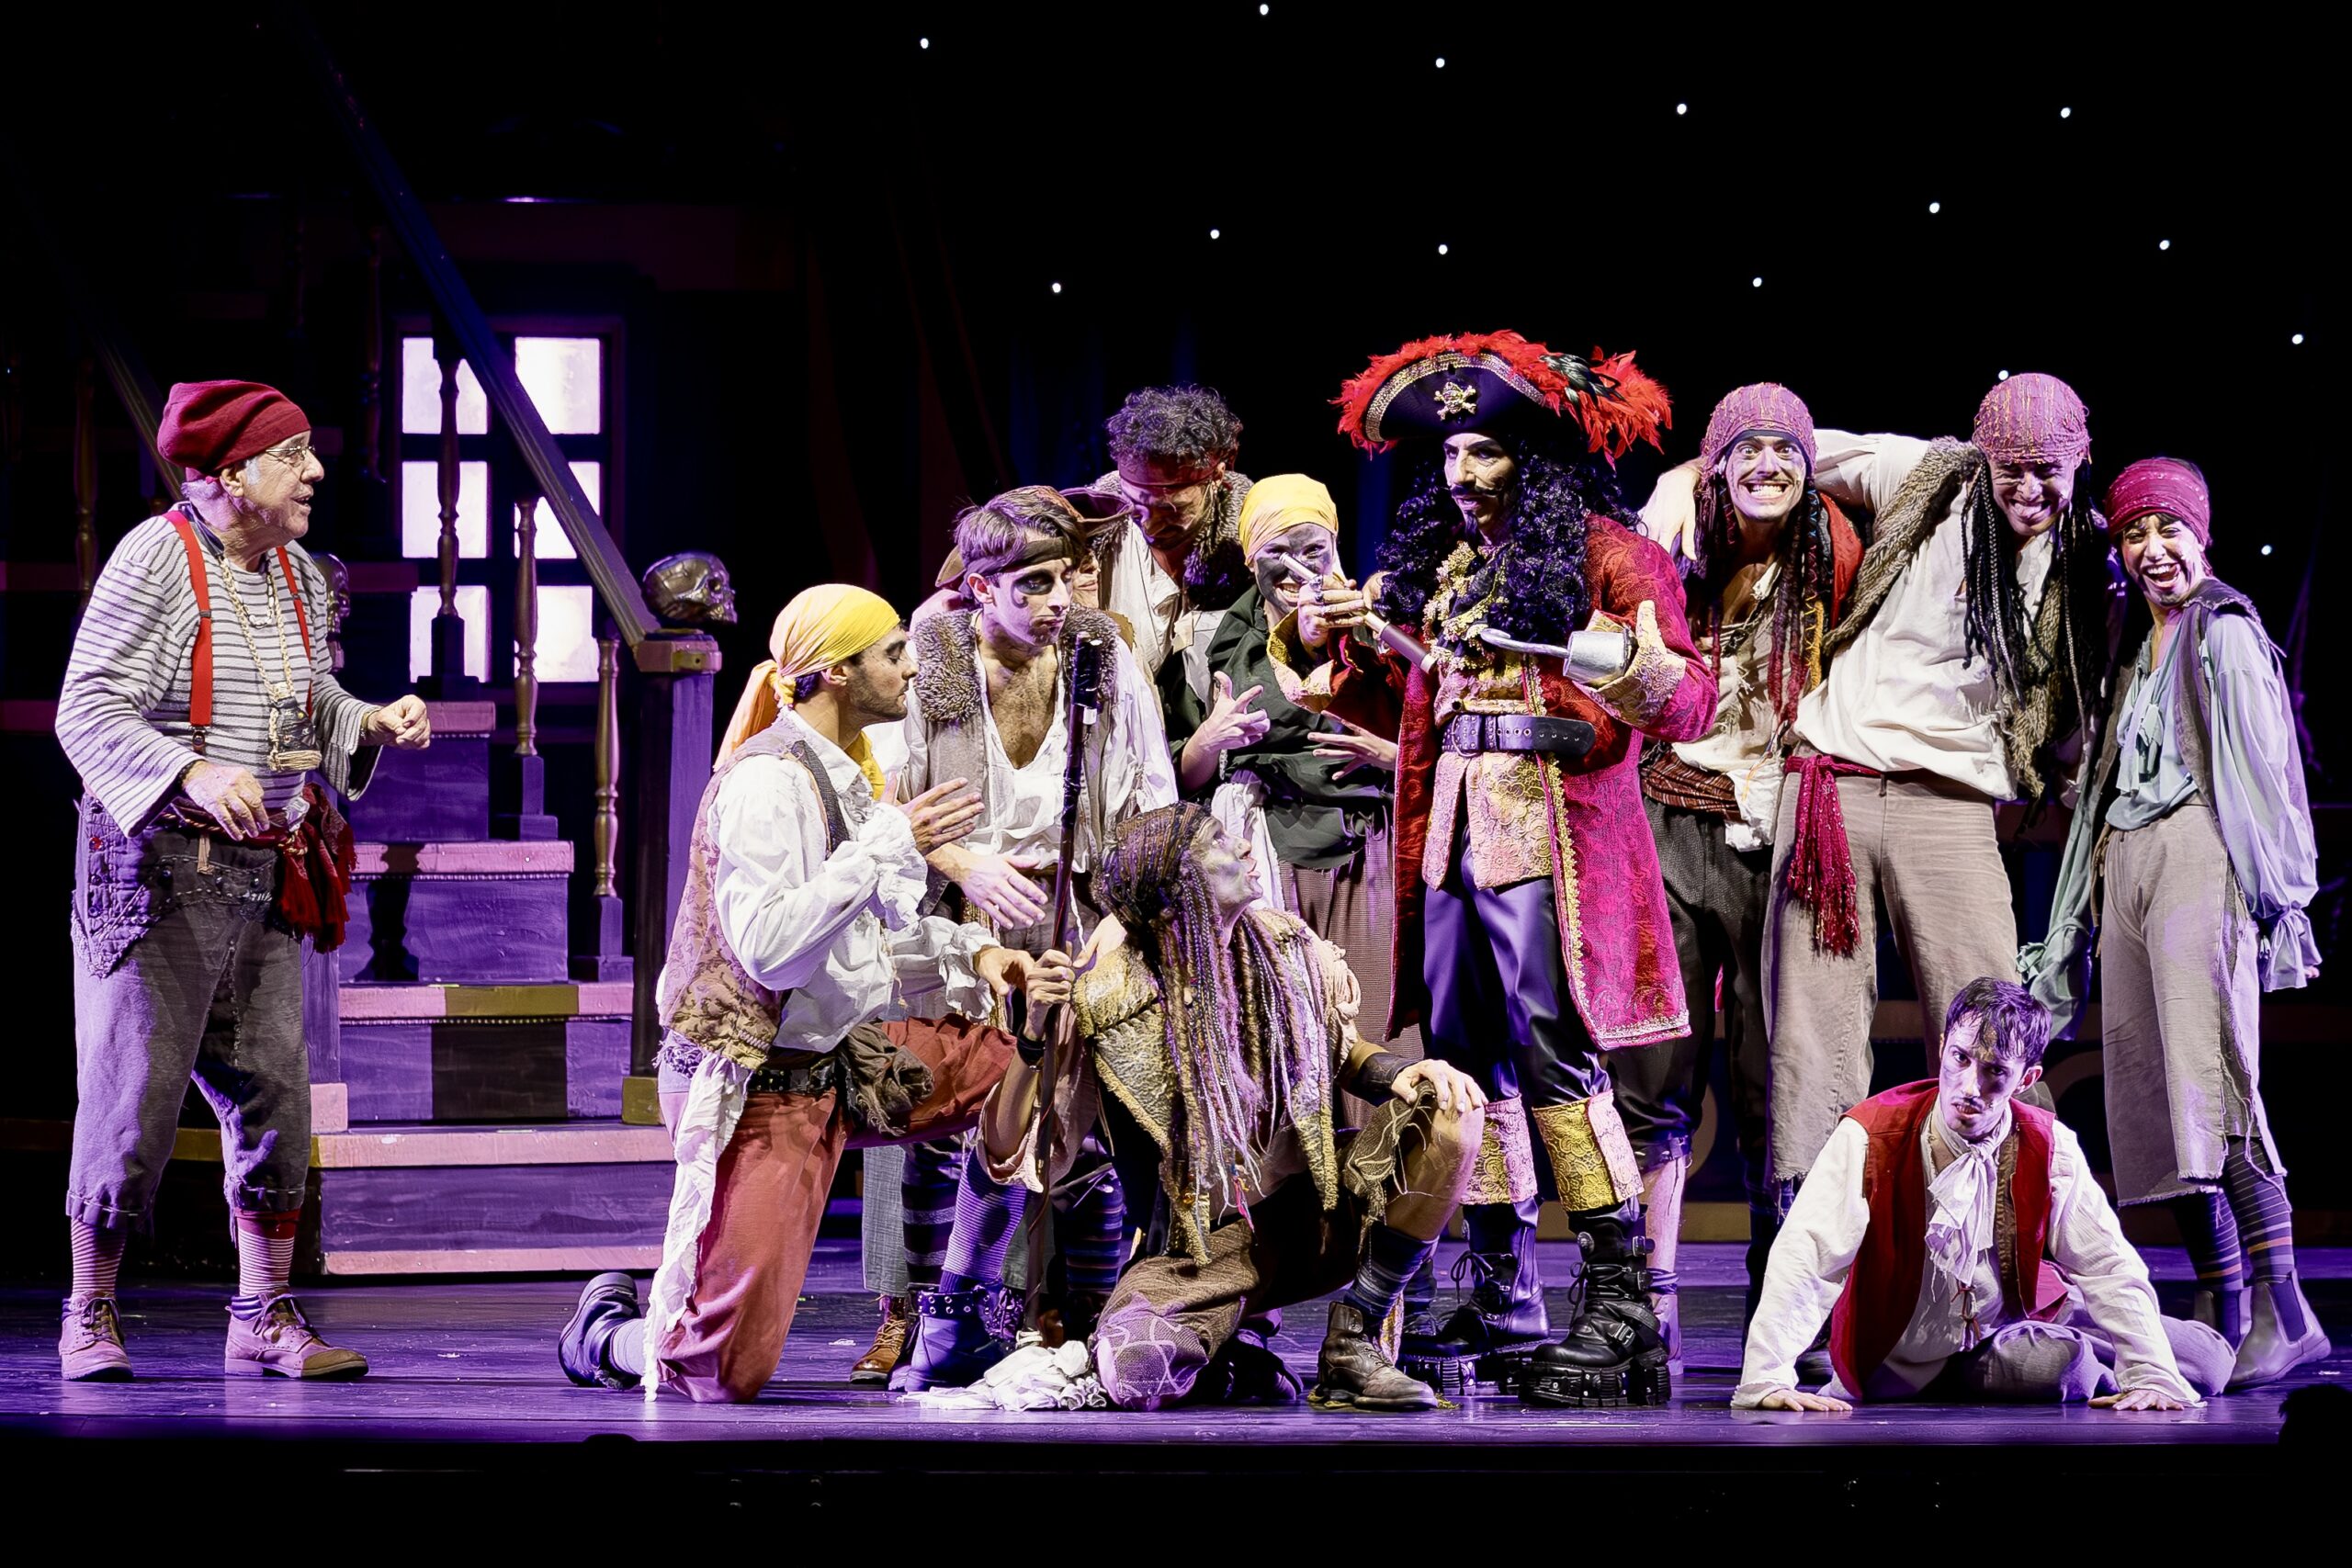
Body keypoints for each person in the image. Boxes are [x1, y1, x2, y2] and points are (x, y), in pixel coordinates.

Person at [554, 584, 1071, 1403]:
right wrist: (888, 844)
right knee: (720, 1373)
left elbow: (856, 945)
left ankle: (960, 1314)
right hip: (759, 1084)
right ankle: (606, 1333)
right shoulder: (768, 784)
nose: (911, 667)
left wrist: (977, 952)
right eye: (892, 653)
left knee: (1031, 1071)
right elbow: (772, 950)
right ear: (836, 672)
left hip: (843, 1057)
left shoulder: (849, 775)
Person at [1322, 330, 1714, 1405]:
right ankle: (1503, 1291)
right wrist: (1354, 640)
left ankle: (1621, 1300)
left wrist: (1587, 647)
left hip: (1552, 838)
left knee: (1553, 1059)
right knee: (1464, 1060)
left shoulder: (1608, 553)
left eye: (1485, 450)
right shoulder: (1447, 568)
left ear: (1532, 460)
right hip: (1454, 833)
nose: (1461, 471)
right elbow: (1412, 708)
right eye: (1450, 453)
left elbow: (1687, 699)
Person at [1640, 373, 2116, 1215]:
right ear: (1984, 455)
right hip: (1833, 787)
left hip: (1951, 804)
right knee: (1812, 1038)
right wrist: (1686, 474)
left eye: (2048, 470)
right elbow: (1783, 446)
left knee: (1989, 1018)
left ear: (2079, 460)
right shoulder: (1927, 475)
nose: (2028, 487)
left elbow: (2079, 704)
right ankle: (1816, 1246)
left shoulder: (2085, 561)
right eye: (2010, 467)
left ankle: (2008, 1231)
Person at [56, 378, 431, 1382]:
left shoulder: (298, 571)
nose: (316, 471)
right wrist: (188, 769)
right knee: (133, 1096)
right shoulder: (156, 557)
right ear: (230, 474)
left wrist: (365, 720)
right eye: (291, 455)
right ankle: (89, 1308)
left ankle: (262, 1312)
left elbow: (304, 700)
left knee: (276, 1095)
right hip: (158, 871)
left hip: (268, 866)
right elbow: (86, 707)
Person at [985, 805, 1487, 1412]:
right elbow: (1007, 1148)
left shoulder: (1286, 945)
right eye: (1218, 841)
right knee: (1137, 1370)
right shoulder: (1104, 999)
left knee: (1452, 1108)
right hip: (1198, 1254)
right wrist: (1032, 1036)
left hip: (1312, 1215)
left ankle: (1354, 1340)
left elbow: (1342, 1048)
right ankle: (1229, 1356)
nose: (1245, 844)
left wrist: (1403, 1071)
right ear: (1178, 889)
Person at [859, 487, 1178, 1391]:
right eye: (1033, 585)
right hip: (953, 919)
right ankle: (927, 1313)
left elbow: (1151, 805)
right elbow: (877, 805)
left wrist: (1116, 926)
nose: (1057, 601)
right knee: (942, 1119)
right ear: (979, 588)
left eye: (1065, 580)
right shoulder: (928, 663)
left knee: (1078, 1122)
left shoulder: (1101, 656)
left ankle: (1083, 1313)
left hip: (1082, 912)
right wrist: (960, 862)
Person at [2021, 457, 2328, 1388]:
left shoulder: (2223, 630)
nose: (2152, 548)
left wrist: (2280, 903)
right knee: (2151, 1099)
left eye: (2168, 529)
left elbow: (2267, 775)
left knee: (2213, 1083)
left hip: (2198, 848)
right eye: (2133, 533)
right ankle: (2220, 1303)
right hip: (2127, 858)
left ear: (2202, 536)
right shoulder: (2133, 644)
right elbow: (2099, 783)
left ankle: (2285, 1310)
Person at [1609, 385, 1862, 1360]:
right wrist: (1678, 481)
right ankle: (1647, 1302)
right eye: (1744, 448)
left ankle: (1781, 1301)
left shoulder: (1838, 551)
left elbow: (1909, 472)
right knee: (1655, 1069)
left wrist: (1695, 465)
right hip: (1671, 812)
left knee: (1776, 1075)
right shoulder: (1670, 548)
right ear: (1716, 464)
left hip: (1787, 825)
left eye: (1784, 449)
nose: (1766, 464)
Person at [1736, 979, 2222, 1411]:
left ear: (2026, 1079)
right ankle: (2080, 1359)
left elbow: (2106, 1263)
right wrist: (1767, 1376)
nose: (1971, 1087)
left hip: (2015, 1313)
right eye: (1961, 1059)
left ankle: (2109, 1358)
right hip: (1909, 1355)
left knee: (2209, 1359)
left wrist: (2153, 1375)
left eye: (1995, 1072)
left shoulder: (2048, 1143)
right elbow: (1807, 1254)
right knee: (2057, 1366)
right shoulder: (1870, 1135)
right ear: (1943, 1047)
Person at [1158, 473, 1412, 1067]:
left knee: (1374, 1022)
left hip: (1367, 846)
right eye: (1276, 549)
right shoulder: (1204, 645)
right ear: (1250, 558)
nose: (1297, 565)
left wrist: (1389, 755)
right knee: (1283, 1034)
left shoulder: (1380, 630)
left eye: (1313, 547)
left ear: (1336, 546)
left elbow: (1440, 741)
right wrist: (1210, 738)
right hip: (1263, 849)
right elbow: (1179, 779)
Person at [1086, 385, 1254, 680]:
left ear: (1216, 476)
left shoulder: (1253, 533)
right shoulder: (1093, 531)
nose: (1149, 526)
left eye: (1171, 510)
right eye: (1135, 506)